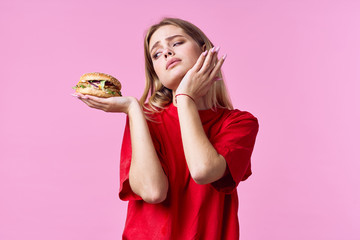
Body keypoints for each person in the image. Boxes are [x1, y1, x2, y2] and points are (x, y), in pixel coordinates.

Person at [73, 17, 259, 240]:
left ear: (205, 50)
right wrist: (133, 109)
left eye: (176, 43)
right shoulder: (147, 119)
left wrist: (185, 97)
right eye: (156, 54)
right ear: (156, 74)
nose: (167, 53)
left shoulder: (239, 123)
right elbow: (153, 192)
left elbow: (203, 171)